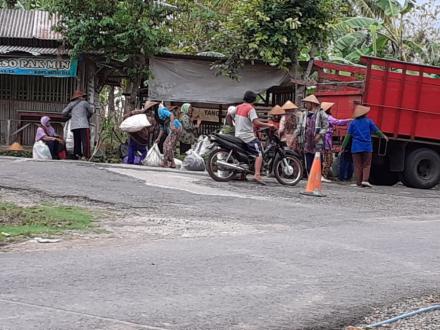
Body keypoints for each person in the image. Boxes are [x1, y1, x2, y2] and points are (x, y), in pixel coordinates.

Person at [341, 104, 389, 187]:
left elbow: (348, 136)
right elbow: (376, 131)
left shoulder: (352, 123)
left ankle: (358, 182)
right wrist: (383, 136)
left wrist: (343, 146)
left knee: (357, 165)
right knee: (366, 164)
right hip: (367, 146)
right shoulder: (369, 121)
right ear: (365, 114)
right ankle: (365, 180)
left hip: (356, 147)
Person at [235, 91, 274, 184]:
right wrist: (268, 125)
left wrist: (235, 125)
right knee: (259, 153)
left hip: (238, 134)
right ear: (253, 100)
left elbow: (229, 116)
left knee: (246, 153)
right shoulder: (250, 108)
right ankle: (257, 175)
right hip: (247, 136)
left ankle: (242, 174)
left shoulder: (238, 107)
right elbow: (256, 122)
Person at [294, 94, 329, 174]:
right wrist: (295, 135)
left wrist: (319, 135)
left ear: (312, 103)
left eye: (307, 103)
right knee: (308, 161)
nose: (306, 105)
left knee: (317, 160)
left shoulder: (321, 113)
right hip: (307, 141)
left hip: (317, 141)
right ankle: (310, 176)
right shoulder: (304, 114)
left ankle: (317, 177)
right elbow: (300, 126)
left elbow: (326, 126)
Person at [321, 102, 351, 182]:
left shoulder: (321, 117)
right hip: (326, 141)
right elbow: (338, 122)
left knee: (326, 158)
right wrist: (349, 120)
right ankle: (323, 175)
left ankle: (325, 175)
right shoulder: (328, 117)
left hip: (323, 140)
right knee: (328, 159)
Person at [123, 100, 158, 164]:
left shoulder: (138, 113)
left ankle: (130, 162)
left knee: (131, 148)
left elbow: (125, 116)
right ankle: (141, 161)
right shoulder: (151, 118)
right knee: (144, 151)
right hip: (142, 138)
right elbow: (151, 130)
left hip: (134, 134)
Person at [62, 90, 93, 160]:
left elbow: (64, 113)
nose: (84, 98)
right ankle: (86, 156)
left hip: (74, 126)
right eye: (83, 96)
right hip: (83, 124)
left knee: (77, 141)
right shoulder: (85, 103)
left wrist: (71, 115)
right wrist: (86, 116)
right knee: (85, 141)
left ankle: (77, 154)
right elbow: (91, 112)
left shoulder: (71, 104)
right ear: (80, 97)